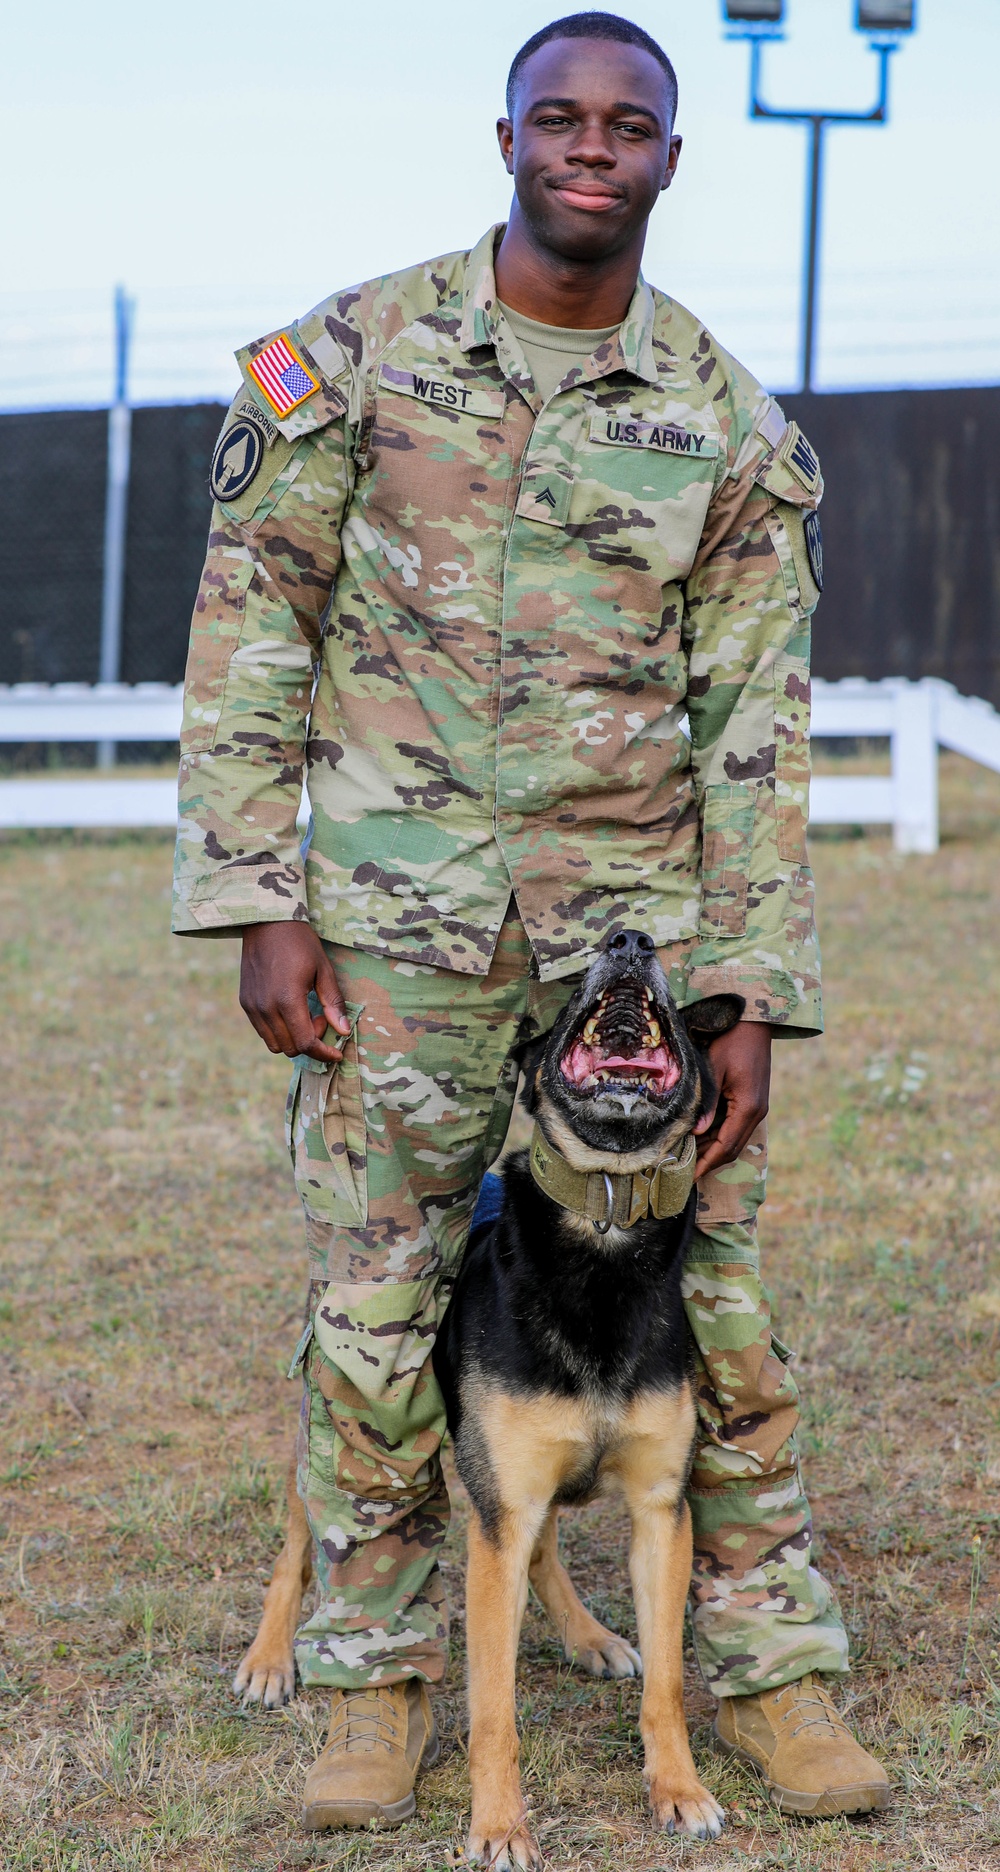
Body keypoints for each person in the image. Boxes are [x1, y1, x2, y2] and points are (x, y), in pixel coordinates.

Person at [173, 9, 889, 1835]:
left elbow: (757, 728)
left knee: (710, 1298)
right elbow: (256, 617)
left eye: (627, 124)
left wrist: (750, 991)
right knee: (376, 1299)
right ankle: (377, 1686)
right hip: (397, 934)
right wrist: (263, 897)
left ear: (667, 157)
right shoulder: (350, 355)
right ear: (503, 139)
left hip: (630, 944)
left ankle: (777, 1675)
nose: (592, 145)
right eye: (558, 118)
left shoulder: (722, 418)